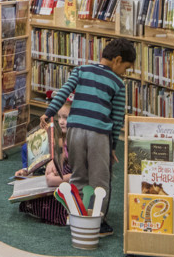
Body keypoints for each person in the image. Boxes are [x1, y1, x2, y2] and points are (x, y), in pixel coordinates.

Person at [42, 37, 135, 234]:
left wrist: (48, 113)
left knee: (78, 175)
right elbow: (117, 118)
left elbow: (63, 92)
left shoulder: (81, 70)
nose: (124, 73)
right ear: (117, 60)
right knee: (100, 179)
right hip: (99, 134)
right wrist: (112, 148)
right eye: (126, 68)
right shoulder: (118, 83)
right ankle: (98, 222)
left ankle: (74, 216)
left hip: (74, 130)